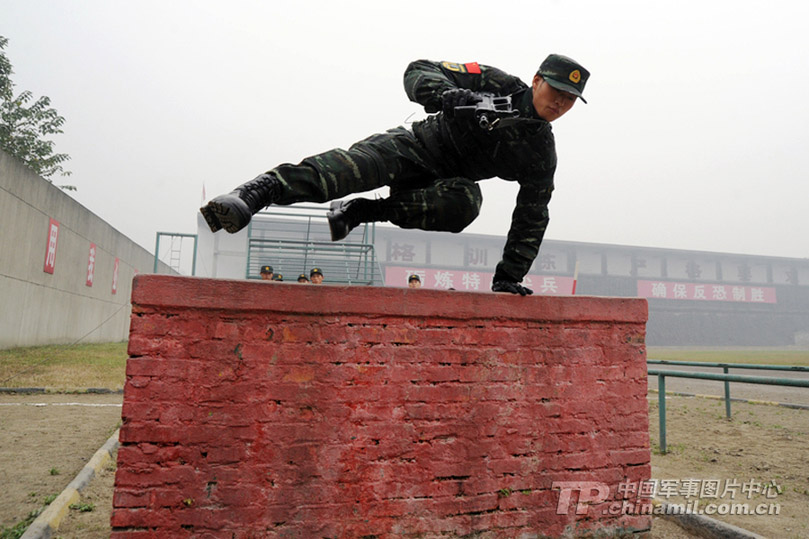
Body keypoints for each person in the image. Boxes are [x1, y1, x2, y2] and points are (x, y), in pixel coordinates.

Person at [201, 55, 589, 296]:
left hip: (441, 183)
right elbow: (419, 69)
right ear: (537, 80)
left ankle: (361, 213)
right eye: (555, 90)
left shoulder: (540, 153)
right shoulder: (495, 81)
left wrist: (508, 276)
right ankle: (254, 193)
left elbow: (532, 216)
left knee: (466, 203)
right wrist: (443, 95)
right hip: (412, 148)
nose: (559, 102)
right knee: (344, 173)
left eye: (569, 99)